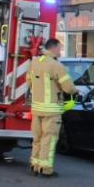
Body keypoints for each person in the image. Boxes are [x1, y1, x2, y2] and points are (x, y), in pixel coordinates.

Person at [26, 38, 77, 177]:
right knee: (49, 138)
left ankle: (35, 165)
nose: (60, 51)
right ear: (54, 49)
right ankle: (45, 169)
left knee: (37, 138)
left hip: (36, 108)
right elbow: (68, 88)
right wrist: (75, 91)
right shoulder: (56, 66)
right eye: (59, 48)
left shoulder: (33, 63)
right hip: (51, 110)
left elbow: (29, 83)